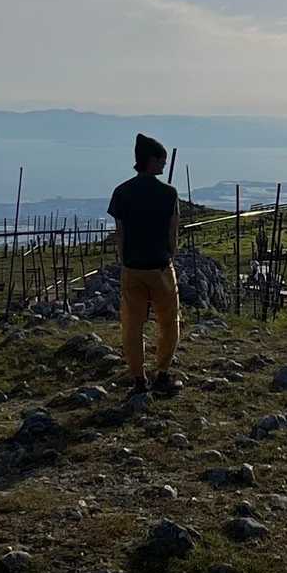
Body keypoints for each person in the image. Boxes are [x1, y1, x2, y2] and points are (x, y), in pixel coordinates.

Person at [107, 133, 183, 396]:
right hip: (160, 267)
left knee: (132, 325)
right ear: (151, 160)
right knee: (169, 322)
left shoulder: (121, 192)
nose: (164, 165)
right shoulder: (169, 193)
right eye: (161, 160)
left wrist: (124, 260)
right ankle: (162, 373)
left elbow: (120, 233)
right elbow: (173, 232)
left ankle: (139, 378)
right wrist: (170, 255)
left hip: (132, 268)